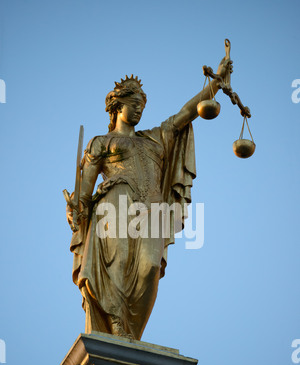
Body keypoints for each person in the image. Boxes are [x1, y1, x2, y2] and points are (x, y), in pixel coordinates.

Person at [67, 58, 232, 340]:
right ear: (118, 106)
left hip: (153, 209)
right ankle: (116, 324)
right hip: (115, 203)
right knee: (116, 264)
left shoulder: (155, 139)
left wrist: (216, 83)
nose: (139, 110)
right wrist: (77, 209)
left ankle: (132, 332)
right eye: (134, 105)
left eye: (142, 106)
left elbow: (186, 113)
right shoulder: (101, 142)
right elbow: (84, 190)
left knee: (150, 268)